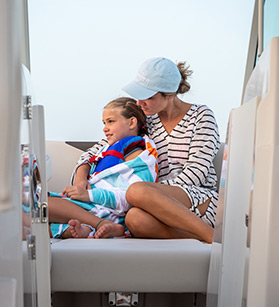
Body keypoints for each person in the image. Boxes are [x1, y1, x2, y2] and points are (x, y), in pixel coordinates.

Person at [116, 57, 220, 243]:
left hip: (200, 197)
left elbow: (196, 172)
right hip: (157, 205)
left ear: (170, 95)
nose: (140, 103)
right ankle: (204, 237)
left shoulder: (201, 116)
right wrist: (82, 175)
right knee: (134, 219)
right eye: (138, 95)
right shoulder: (145, 120)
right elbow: (104, 147)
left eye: (148, 97)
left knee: (136, 191)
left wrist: (149, 194)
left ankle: (211, 236)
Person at [48, 97, 158, 239]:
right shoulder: (106, 148)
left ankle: (99, 224)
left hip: (105, 211)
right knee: (28, 217)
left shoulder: (140, 156)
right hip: (89, 206)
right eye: (104, 123)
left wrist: (88, 195)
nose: (105, 128)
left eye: (111, 121)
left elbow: (130, 198)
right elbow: (86, 159)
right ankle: (82, 230)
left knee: (40, 203)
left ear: (131, 122)